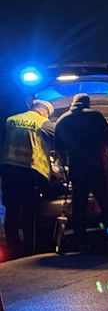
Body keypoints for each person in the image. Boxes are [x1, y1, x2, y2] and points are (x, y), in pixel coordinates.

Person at [54, 94, 108, 249]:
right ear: (87, 103)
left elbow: (59, 150)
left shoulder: (62, 120)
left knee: (79, 205)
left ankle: (80, 239)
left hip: (77, 170)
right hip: (97, 167)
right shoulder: (95, 116)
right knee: (106, 202)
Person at [0, 99, 55, 258]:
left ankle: (12, 247)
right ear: (44, 111)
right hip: (30, 170)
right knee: (30, 209)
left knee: (11, 209)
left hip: (8, 169)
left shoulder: (11, 120)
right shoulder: (43, 123)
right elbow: (61, 138)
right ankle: (30, 246)